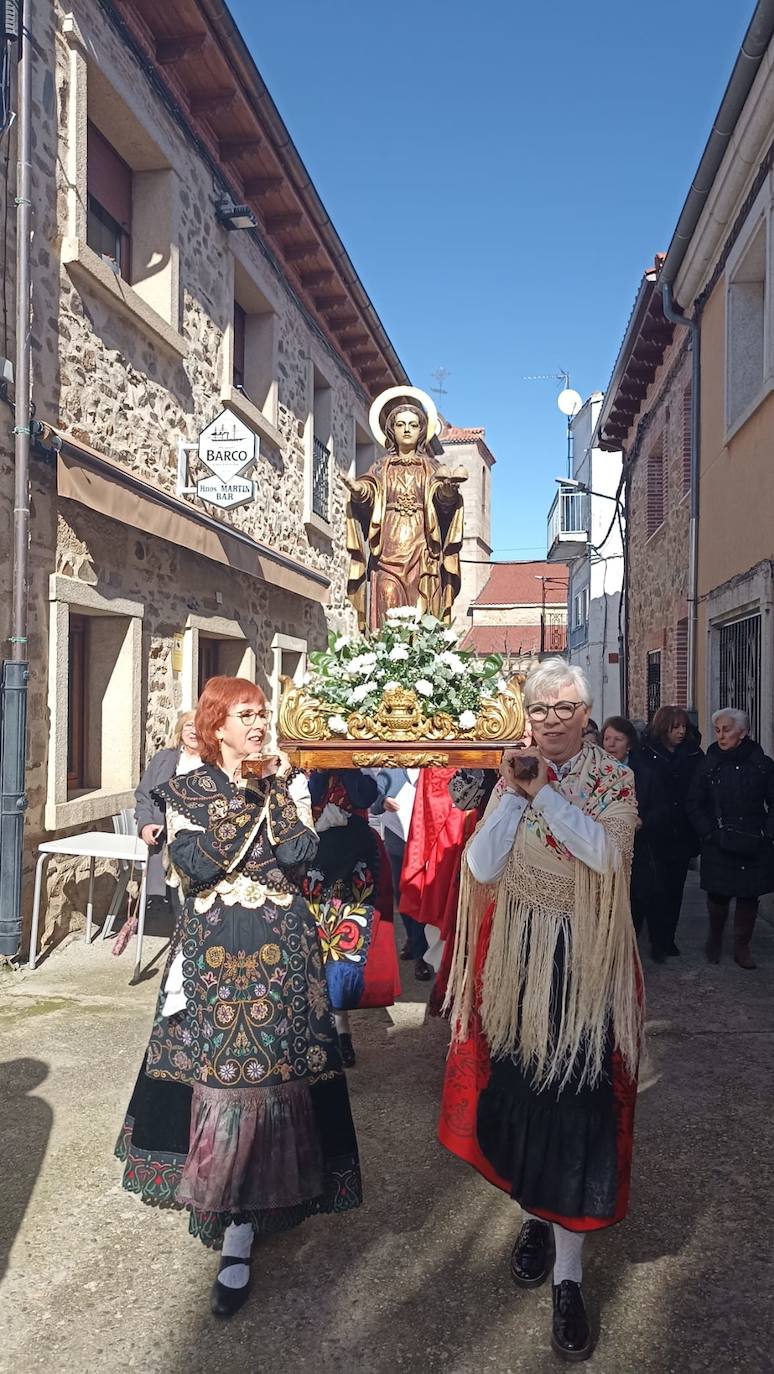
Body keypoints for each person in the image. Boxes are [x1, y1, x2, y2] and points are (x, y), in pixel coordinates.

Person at [115, 677, 361, 1318]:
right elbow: (198, 864)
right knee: (224, 1077)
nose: (258, 723)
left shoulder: (284, 785)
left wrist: (276, 792)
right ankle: (231, 1223)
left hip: (282, 951)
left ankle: (249, 1223)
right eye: (244, 715)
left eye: (262, 713)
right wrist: (249, 796)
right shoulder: (184, 789)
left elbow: (302, 854)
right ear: (216, 724)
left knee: (279, 1074)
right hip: (219, 949)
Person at [439, 658, 642, 1363]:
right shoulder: (508, 781)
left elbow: (606, 859)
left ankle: (569, 1276)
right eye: (540, 707)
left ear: (588, 714)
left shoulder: (615, 779)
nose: (551, 719)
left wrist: (544, 795)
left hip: (582, 969)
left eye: (565, 708)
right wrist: (511, 797)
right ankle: (533, 1212)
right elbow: (483, 868)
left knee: (577, 1111)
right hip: (519, 963)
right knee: (522, 1096)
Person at [345, 393, 466, 630]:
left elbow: (441, 505)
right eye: (401, 425)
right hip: (387, 552)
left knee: (422, 615)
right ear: (392, 430)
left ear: (422, 430)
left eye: (413, 425)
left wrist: (449, 492)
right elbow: (370, 494)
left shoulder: (431, 468)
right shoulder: (381, 468)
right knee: (387, 601)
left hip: (422, 552)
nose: (407, 430)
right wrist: (358, 490)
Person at [305, 770, 401, 1067]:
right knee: (314, 950)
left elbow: (365, 795)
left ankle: (342, 1031)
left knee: (344, 950)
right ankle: (324, 1030)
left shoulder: (358, 771)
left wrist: (347, 764)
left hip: (354, 865)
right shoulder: (303, 773)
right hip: (313, 862)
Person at [687, 707, 774, 968]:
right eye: (718, 730)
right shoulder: (709, 764)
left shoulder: (762, 765)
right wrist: (708, 832)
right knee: (718, 895)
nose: (721, 736)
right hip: (719, 839)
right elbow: (693, 802)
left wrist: (767, 833)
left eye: (727, 730)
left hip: (753, 840)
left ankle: (741, 946)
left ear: (743, 732)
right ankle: (714, 939)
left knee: (748, 896)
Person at [634, 706, 703, 962]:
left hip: (681, 833)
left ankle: (667, 938)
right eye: (676, 727)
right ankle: (654, 938)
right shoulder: (646, 755)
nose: (681, 732)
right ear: (664, 727)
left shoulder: (694, 755)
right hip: (654, 833)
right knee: (653, 889)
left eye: (684, 726)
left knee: (675, 889)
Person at [134, 710, 201, 910]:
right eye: (189, 725)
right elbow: (143, 796)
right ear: (180, 731)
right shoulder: (164, 759)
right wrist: (145, 824)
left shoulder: (215, 761)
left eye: (199, 725)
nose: (194, 730)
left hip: (201, 839)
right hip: (168, 838)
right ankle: (183, 934)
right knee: (177, 894)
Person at [370, 767, 432, 981]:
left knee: (421, 897)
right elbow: (374, 800)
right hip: (398, 842)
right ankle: (413, 940)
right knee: (402, 894)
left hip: (426, 843)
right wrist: (383, 801)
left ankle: (421, 954)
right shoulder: (391, 770)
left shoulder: (433, 768)